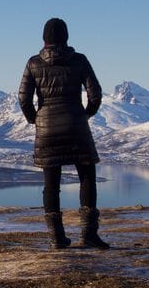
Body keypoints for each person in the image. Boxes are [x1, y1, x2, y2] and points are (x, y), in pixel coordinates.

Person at [18, 17, 109, 249]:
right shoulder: (79, 60)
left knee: (51, 183)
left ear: (44, 38)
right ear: (66, 37)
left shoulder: (33, 63)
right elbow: (95, 94)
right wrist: (86, 113)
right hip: (76, 125)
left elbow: (23, 98)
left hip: (47, 129)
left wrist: (35, 119)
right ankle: (89, 234)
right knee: (87, 176)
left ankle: (56, 238)